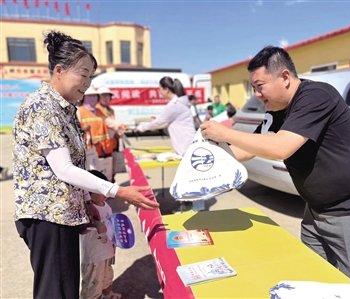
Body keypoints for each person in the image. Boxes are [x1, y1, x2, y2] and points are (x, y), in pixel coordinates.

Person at [200, 46, 350, 299]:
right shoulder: (276, 110)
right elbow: (250, 149)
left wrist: (224, 132)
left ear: (285, 77)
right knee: (315, 283)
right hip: (316, 211)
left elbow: (280, 148)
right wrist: (206, 160)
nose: (256, 95)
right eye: (253, 88)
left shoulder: (317, 96)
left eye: (260, 86)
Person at [13, 30, 159, 299]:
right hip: (48, 216)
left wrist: (87, 203)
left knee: (65, 289)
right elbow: (64, 169)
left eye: (91, 76)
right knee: (55, 292)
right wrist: (118, 191)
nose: (88, 83)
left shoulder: (65, 109)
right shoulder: (42, 106)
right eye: (83, 74)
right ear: (59, 70)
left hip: (63, 213)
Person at [135, 77, 206, 212]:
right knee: (191, 178)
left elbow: (160, 122)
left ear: (166, 89)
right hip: (188, 145)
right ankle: (191, 208)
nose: (159, 92)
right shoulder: (180, 104)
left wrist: (141, 128)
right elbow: (165, 120)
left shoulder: (174, 106)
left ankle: (197, 212)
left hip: (187, 146)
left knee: (194, 179)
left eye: (160, 89)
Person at [80, 170, 120, 299]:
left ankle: (108, 296)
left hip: (107, 251)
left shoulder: (106, 205)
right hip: (93, 256)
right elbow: (82, 231)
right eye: (100, 189)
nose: (106, 192)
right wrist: (95, 224)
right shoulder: (85, 210)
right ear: (88, 193)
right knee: (92, 285)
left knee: (107, 277)